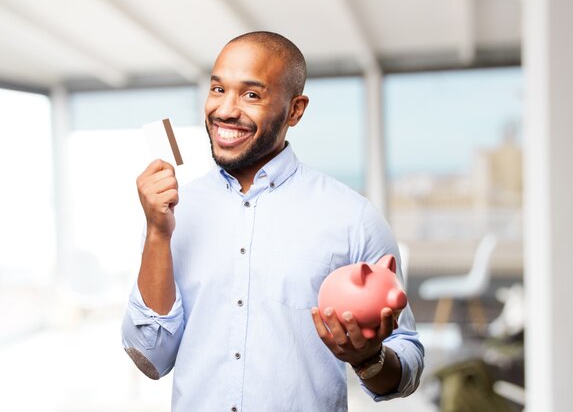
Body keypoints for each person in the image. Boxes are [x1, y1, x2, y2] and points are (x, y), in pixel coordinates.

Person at [121, 31, 424, 412]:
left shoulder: (353, 217)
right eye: (218, 89)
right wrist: (156, 234)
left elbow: (408, 362)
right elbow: (150, 357)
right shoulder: (177, 209)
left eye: (251, 95)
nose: (226, 110)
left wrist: (368, 359)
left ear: (295, 110)